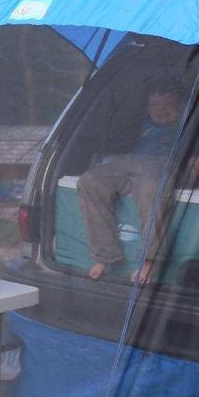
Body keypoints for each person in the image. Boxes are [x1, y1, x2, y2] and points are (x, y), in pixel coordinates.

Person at [77, 78, 187, 283]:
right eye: (155, 105)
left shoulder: (188, 126)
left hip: (162, 163)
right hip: (130, 162)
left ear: (180, 105)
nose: (160, 109)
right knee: (89, 181)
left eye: (167, 104)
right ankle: (105, 255)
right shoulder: (144, 126)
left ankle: (149, 260)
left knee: (150, 190)